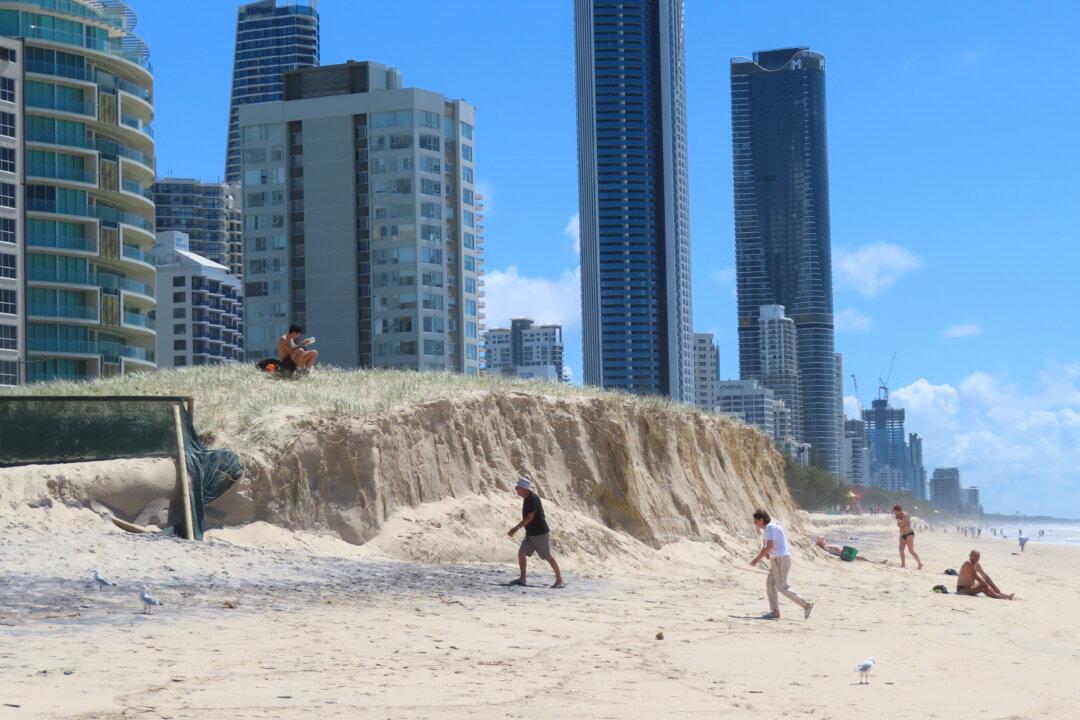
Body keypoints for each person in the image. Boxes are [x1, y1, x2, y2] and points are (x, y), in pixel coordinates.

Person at [750, 509, 813, 620]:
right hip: (778, 559)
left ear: (761, 520)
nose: (755, 524)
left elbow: (770, 546)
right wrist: (767, 554)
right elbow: (771, 547)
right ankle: (775, 612)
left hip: (780, 559)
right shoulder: (772, 527)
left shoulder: (769, 527)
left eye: (755, 521)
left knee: (782, 587)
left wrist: (756, 560)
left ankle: (806, 604)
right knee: (770, 584)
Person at [507, 477, 564, 588]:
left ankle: (559, 580)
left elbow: (530, 517)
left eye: (518, 487)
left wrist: (516, 528)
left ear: (524, 489)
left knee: (547, 556)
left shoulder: (533, 499)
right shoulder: (527, 498)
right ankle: (522, 579)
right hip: (531, 533)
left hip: (540, 533)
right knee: (521, 553)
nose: (516, 489)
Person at [893, 504, 924, 569]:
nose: (895, 513)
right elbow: (900, 526)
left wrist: (898, 520)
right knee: (901, 549)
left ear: (899, 510)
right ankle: (903, 564)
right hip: (902, 535)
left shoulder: (905, 515)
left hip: (909, 534)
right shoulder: (897, 516)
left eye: (895, 512)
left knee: (911, 550)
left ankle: (920, 563)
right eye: (894, 512)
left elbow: (902, 524)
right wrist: (900, 535)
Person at [815, 537, 887, 564]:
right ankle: (877, 562)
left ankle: (875, 562)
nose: (824, 541)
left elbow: (822, 537)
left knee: (860, 557)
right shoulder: (825, 549)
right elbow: (819, 541)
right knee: (861, 558)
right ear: (821, 543)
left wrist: (821, 538)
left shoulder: (826, 546)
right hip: (844, 555)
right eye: (823, 541)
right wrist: (820, 540)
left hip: (844, 552)